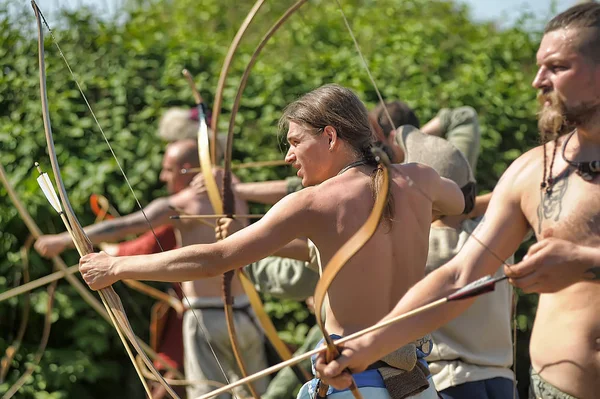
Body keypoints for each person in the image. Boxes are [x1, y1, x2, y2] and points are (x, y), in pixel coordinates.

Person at [79, 83, 466, 399]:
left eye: (295, 142)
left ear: (330, 136)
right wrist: (403, 161)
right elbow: (462, 199)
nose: (288, 156)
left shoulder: (313, 201)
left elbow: (217, 258)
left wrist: (116, 267)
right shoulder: (420, 180)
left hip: (355, 385)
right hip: (417, 384)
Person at [314, 4, 600, 399]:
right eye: (539, 66)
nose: (538, 81)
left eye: (558, 67)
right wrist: (369, 345)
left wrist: (586, 262)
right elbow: (460, 277)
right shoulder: (531, 171)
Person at [35, 137, 268, 399]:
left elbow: (126, 225)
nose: (162, 176)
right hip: (247, 314)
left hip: (207, 318)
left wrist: (63, 240)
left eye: (168, 169)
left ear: (187, 168)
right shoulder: (235, 187)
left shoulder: (184, 202)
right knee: (256, 395)